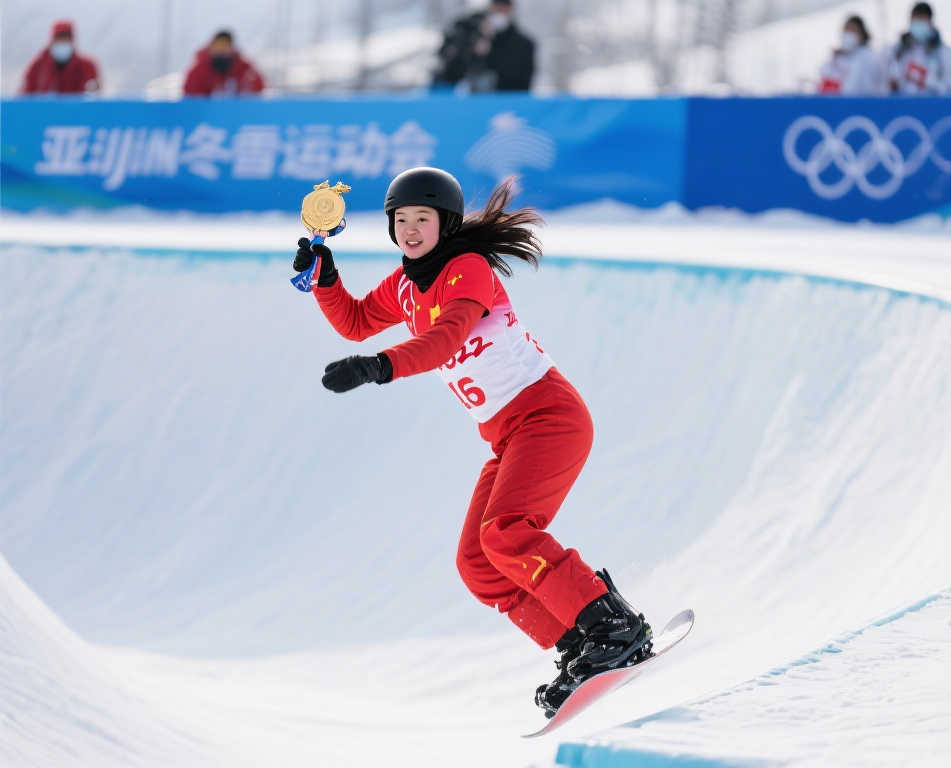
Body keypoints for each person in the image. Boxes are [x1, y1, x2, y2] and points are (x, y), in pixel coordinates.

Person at [292, 167, 653, 717]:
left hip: (548, 418)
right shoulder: (405, 284)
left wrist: (378, 368)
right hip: (508, 437)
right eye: (401, 221)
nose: (410, 231)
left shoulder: (468, 270)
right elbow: (358, 321)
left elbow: (444, 341)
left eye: (423, 219)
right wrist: (325, 279)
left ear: (447, 223)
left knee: (507, 533)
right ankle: (579, 646)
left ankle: (611, 624)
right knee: (478, 563)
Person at [432, 0, 535, 92]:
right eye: (496, 7)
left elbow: (521, 82)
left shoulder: (524, 44)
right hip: (470, 101)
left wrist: (493, 50)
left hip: (504, 101)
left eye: (504, 8)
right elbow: (449, 72)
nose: (499, 12)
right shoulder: (468, 31)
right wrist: (473, 49)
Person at [887, 2, 951, 94]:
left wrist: (929, 81)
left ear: (930, 22)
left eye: (922, 19)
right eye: (916, 19)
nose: (918, 23)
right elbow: (884, 83)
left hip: (933, 105)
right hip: (904, 105)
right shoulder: (898, 50)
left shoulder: (944, 52)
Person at [20, 20, 100, 95]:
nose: (62, 42)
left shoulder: (87, 66)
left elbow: (93, 96)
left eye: (66, 39)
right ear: (52, 40)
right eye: (59, 38)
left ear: (72, 41)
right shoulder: (38, 67)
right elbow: (24, 96)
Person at [183, 29, 264, 97]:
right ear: (211, 47)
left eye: (225, 46)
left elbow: (256, 93)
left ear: (232, 48)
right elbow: (191, 97)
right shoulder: (198, 72)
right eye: (218, 46)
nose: (221, 50)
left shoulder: (246, 71)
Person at [818, 15, 883, 95]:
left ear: (862, 33)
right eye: (846, 29)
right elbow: (824, 80)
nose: (848, 34)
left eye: (852, 30)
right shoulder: (838, 57)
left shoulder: (870, 57)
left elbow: (856, 88)